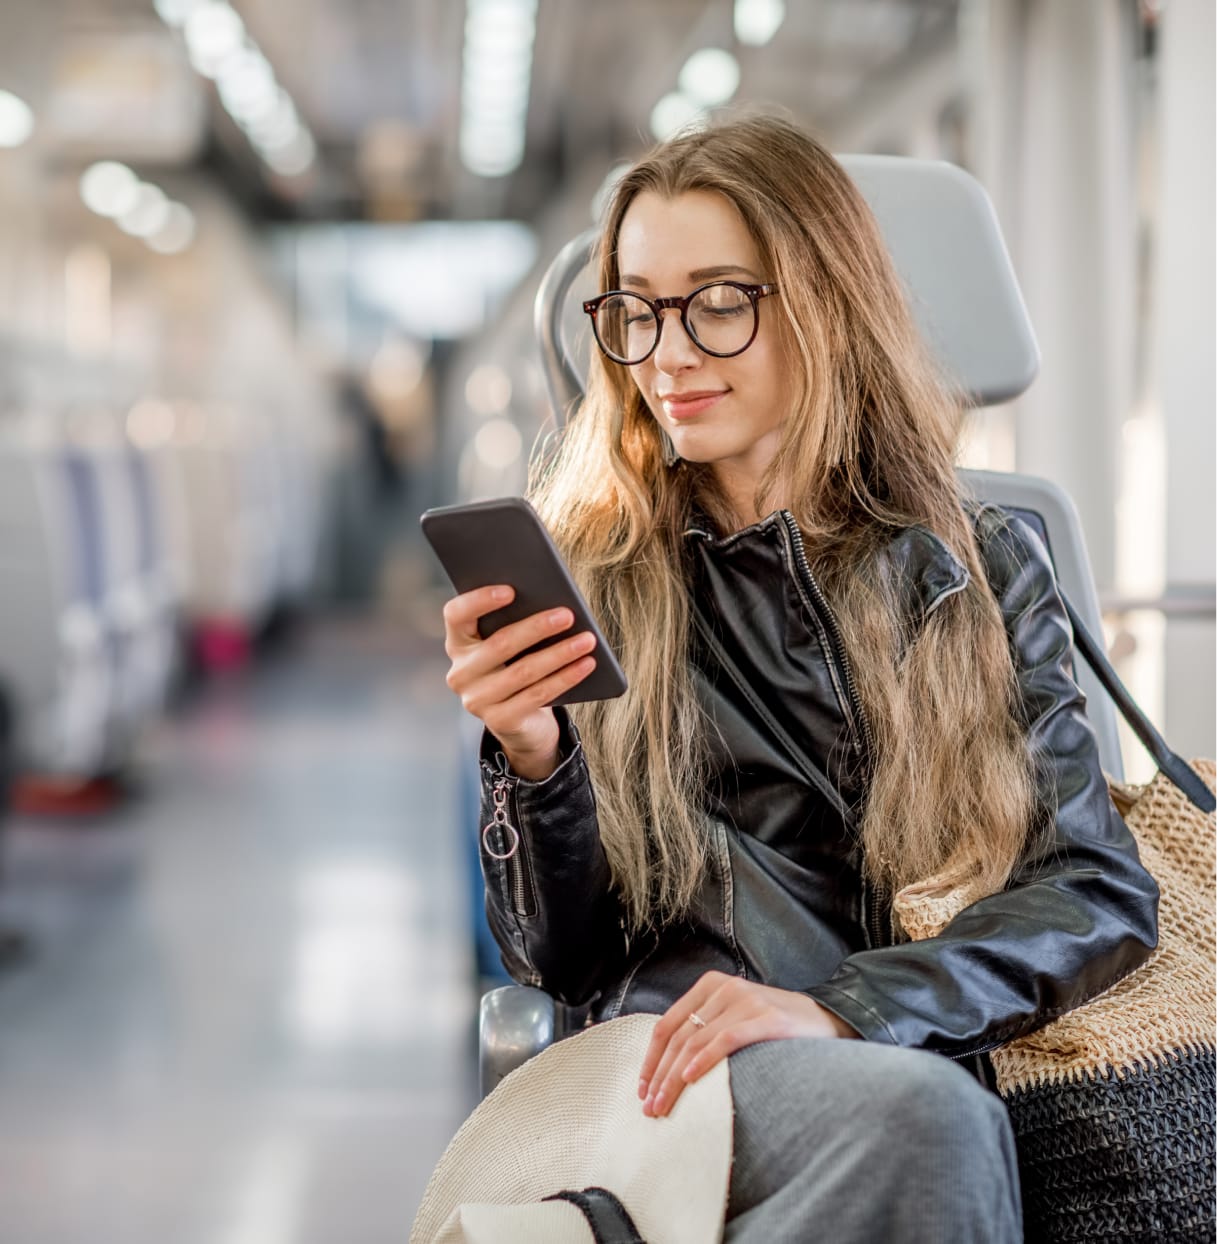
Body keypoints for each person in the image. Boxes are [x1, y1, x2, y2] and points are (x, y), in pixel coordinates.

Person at [440, 114, 1159, 1242]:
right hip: (680, 1067)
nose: (666, 354)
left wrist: (844, 1008)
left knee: (926, 1118)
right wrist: (535, 759)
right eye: (633, 309)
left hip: (913, 1046)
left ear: (822, 305)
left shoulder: (973, 566)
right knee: (928, 1126)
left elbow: (1094, 890)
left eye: (717, 302)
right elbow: (560, 956)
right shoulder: (594, 569)